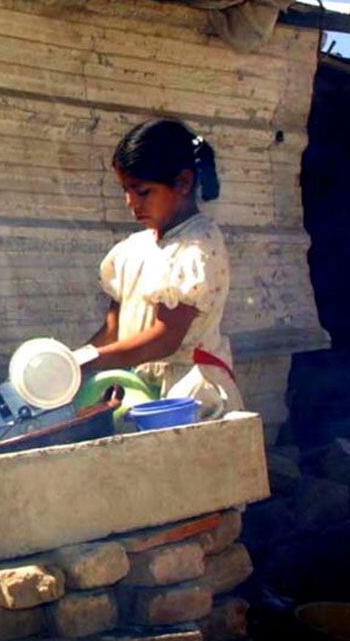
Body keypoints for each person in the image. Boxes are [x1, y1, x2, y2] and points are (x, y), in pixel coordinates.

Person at [76, 118, 243, 419]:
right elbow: (113, 331)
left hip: (187, 395)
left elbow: (165, 338)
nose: (131, 203)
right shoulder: (131, 251)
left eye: (143, 192)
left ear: (183, 183)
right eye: (125, 190)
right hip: (135, 389)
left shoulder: (197, 248)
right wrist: (71, 362)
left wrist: (91, 361)